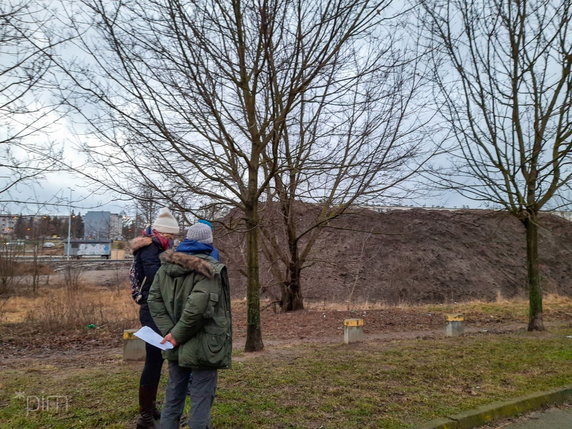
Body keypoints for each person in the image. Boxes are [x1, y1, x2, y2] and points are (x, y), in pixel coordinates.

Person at [148, 222, 232, 429]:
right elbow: (198, 308)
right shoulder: (209, 269)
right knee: (202, 396)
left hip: (173, 342)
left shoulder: (165, 267)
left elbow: (153, 299)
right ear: (209, 243)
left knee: (174, 393)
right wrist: (175, 334)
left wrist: (170, 332)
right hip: (204, 343)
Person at [129, 207, 180, 429]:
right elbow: (158, 278)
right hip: (152, 309)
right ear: (161, 233)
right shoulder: (151, 250)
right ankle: (145, 417)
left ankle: (150, 408)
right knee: (153, 360)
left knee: (157, 360)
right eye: (169, 236)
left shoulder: (157, 247)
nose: (171, 240)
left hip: (156, 308)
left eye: (173, 237)